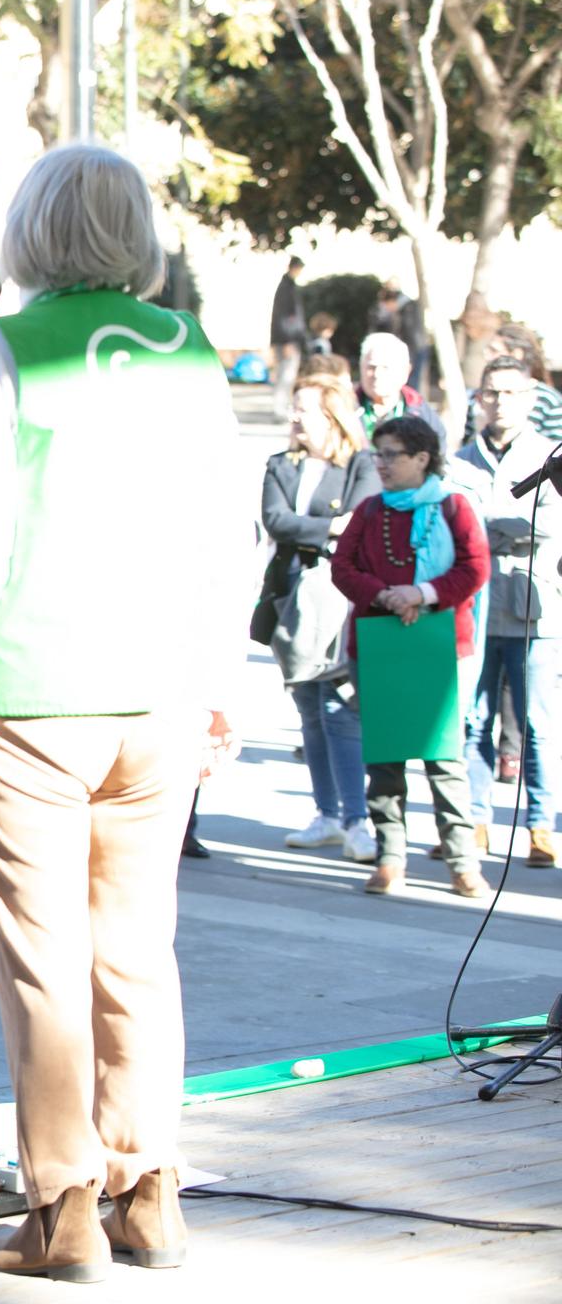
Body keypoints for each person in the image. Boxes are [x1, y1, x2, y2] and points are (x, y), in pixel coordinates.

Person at [0, 145, 243, 1281]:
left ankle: (60, 1211)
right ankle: (149, 1192)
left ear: (32, 231)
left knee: (44, 965)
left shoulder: (1, 349)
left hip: (26, 698)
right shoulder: (190, 350)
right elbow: (219, 540)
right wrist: (218, 684)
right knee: (137, 954)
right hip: (154, 697)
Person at [332, 416, 491, 899]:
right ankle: (389, 857)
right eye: (377, 453)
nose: (380, 463)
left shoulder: (453, 506)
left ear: (422, 458)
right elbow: (344, 567)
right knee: (386, 757)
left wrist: (422, 593)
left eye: (391, 454)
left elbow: (475, 566)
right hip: (379, 643)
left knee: (444, 759)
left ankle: (462, 861)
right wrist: (386, 596)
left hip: (440, 644)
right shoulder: (370, 511)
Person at [261, 372, 381, 861]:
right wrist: (328, 526)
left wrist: (323, 527)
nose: (294, 418)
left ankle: (357, 818)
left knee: (339, 709)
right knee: (308, 708)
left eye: (304, 409)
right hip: (290, 599)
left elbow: (360, 518)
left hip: (338, 600)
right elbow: (274, 519)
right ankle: (325, 813)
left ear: (332, 417)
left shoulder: (360, 463)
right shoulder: (279, 465)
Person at [452, 355, 561, 867]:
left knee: (538, 723)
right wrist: (504, 527)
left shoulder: (549, 456)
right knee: (474, 719)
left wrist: (489, 528)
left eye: (511, 393)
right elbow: (456, 526)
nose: (499, 403)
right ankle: (474, 820)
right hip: (474, 606)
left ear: (531, 398)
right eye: (491, 393)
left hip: (532, 608)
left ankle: (541, 827)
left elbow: (544, 526)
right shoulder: (461, 459)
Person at [357, 333, 445, 443]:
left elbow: (437, 455)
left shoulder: (421, 413)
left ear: (405, 372)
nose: (377, 374)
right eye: (371, 367)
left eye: (385, 368)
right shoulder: (344, 407)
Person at [270, 256, 308, 419]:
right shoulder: (286, 287)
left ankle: (282, 408)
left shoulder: (288, 286)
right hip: (287, 340)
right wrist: (286, 341)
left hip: (289, 339)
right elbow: (284, 316)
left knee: (287, 375)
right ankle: (280, 410)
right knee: (285, 375)